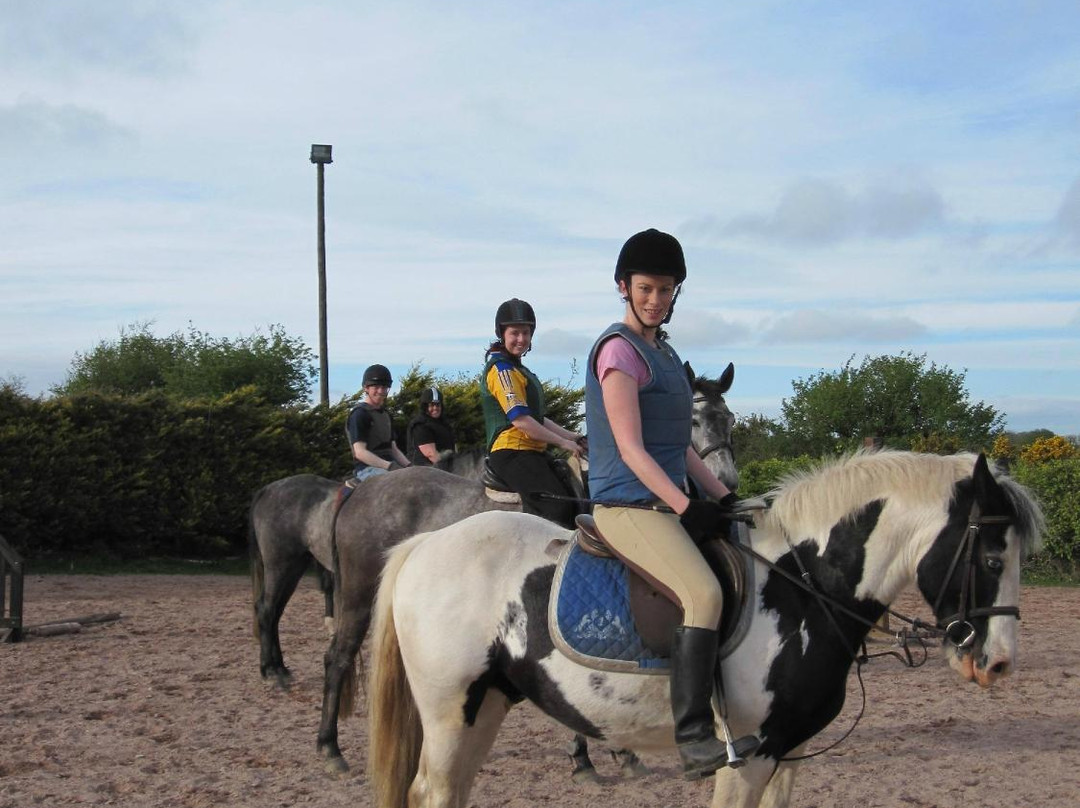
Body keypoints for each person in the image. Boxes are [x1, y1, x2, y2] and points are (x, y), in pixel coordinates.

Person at [584, 228, 756, 780]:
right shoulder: (618, 352)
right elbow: (632, 449)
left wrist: (728, 497)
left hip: (664, 498)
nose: (655, 298)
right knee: (703, 594)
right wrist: (685, 506)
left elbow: (678, 445)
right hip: (628, 506)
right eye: (646, 288)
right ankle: (693, 736)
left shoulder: (664, 352)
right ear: (623, 288)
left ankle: (736, 708)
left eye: (665, 289)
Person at [480, 298, 585, 530]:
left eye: (526, 333)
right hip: (512, 453)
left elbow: (537, 418)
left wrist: (573, 436)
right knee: (557, 507)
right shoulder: (503, 371)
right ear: (502, 333)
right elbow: (521, 421)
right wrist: (562, 443)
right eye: (515, 333)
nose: (521, 339)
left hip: (531, 452)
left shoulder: (519, 369)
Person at [346, 364, 411, 483]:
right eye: (376, 386)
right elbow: (360, 452)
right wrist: (389, 466)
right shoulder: (360, 414)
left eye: (384, 387)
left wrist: (410, 466)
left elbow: (393, 449)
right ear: (366, 388)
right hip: (367, 469)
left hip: (389, 466)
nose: (381, 391)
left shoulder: (386, 415)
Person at [406, 386, 456, 468]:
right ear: (425, 407)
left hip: (441, 469)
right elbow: (431, 455)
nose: (435, 408)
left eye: (438, 405)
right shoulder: (420, 425)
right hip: (423, 471)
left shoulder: (444, 424)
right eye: (432, 405)